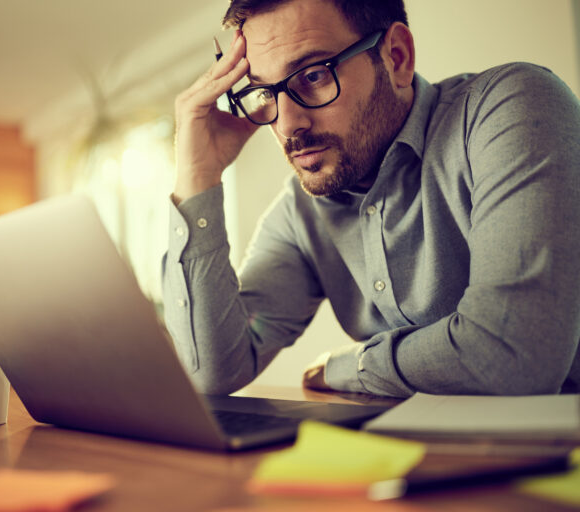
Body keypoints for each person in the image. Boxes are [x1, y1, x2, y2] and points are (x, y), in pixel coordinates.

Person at [162, 0, 580, 398]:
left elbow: (513, 355)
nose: (288, 125)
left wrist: (351, 366)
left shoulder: (512, 106)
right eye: (265, 93)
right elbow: (212, 372)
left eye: (313, 75)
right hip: (415, 458)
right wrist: (197, 176)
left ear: (396, 57)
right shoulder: (301, 212)